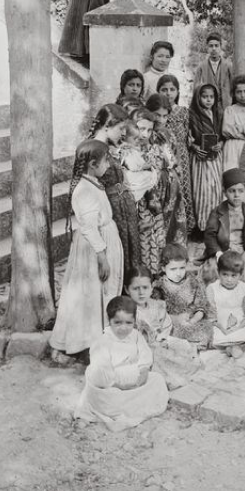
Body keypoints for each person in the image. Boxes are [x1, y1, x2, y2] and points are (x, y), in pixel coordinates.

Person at [50, 140, 123, 361]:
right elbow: (90, 228)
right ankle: (87, 343)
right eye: (105, 161)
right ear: (92, 164)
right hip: (94, 249)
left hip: (103, 240)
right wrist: (102, 257)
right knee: (91, 293)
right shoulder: (83, 191)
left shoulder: (93, 183)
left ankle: (101, 337)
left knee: (102, 292)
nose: (108, 165)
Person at [74, 296, 169, 431]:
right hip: (112, 384)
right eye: (118, 323)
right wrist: (116, 384)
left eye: (128, 323)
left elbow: (144, 353)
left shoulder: (136, 335)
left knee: (157, 380)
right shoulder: (103, 341)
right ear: (109, 321)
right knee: (100, 390)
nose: (123, 328)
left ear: (134, 321)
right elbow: (101, 370)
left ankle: (134, 403)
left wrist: (143, 370)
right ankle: (123, 407)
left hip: (134, 378)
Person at [125, 264, 198, 388]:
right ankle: (164, 378)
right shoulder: (127, 310)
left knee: (182, 347)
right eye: (136, 288)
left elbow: (166, 324)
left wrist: (162, 337)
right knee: (156, 357)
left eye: (145, 287)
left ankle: (173, 372)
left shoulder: (157, 305)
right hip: (139, 350)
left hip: (158, 341)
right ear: (127, 290)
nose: (141, 292)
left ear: (152, 288)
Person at [88, 104, 141, 272]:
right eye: (121, 128)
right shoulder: (91, 150)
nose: (124, 133)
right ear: (107, 126)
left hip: (123, 210)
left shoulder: (108, 149)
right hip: (110, 211)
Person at [203, 168, 245, 293]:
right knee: (213, 271)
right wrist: (218, 254)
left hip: (242, 251)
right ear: (225, 192)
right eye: (232, 191)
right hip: (223, 250)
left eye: (241, 191)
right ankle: (218, 298)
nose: (236, 195)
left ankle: (243, 300)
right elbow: (209, 235)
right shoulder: (217, 212)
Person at [130, 107, 174, 274]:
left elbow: (164, 167)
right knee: (141, 240)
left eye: (149, 130)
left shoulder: (155, 148)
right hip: (136, 202)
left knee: (155, 237)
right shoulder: (127, 151)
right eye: (141, 129)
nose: (145, 134)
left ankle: (155, 276)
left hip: (153, 201)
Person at [152, 244, 212, 349]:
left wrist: (192, 321)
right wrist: (176, 319)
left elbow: (201, 306)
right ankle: (182, 344)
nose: (178, 273)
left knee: (206, 329)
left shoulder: (193, 281)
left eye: (182, 268)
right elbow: (156, 312)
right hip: (170, 323)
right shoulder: (159, 286)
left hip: (192, 321)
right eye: (173, 269)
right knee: (164, 335)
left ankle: (192, 344)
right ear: (163, 268)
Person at [207, 250, 245, 357]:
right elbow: (210, 312)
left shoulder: (244, 288)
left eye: (233, 275)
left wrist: (239, 327)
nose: (229, 279)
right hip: (219, 323)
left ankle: (236, 346)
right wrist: (222, 328)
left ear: (240, 274)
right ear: (218, 272)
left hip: (241, 321)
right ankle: (231, 346)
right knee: (208, 333)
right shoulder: (212, 288)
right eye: (225, 275)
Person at [157, 74, 195, 234]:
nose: (168, 93)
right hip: (164, 155)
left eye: (172, 89)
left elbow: (188, 134)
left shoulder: (184, 112)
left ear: (178, 92)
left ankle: (187, 227)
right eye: (164, 89)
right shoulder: (157, 114)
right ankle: (168, 227)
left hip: (182, 156)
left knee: (184, 188)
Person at [188, 83, 224, 232]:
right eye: (204, 97)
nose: (208, 100)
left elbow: (223, 135)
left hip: (215, 159)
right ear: (198, 98)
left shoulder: (218, 114)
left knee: (215, 190)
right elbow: (187, 137)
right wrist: (195, 147)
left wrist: (220, 144)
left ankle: (213, 226)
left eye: (211, 97)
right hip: (200, 160)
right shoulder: (192, 115)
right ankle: (201, 227)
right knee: (201, 192)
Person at [222, 75, 245, 171]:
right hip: (232, 147)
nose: (242, 95)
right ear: (233, 94)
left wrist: (238, 128)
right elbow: (226, 130)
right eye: (239, 92)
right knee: (233, 173)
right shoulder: (230, 110)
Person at [118, 120, 158, 203]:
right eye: (135, 138)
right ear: (125, 138)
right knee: (150, 176)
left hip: (134, 174)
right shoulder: (127, 152)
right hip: (131, 177)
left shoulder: (132, 150)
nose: (137, 140)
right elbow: (133, 167)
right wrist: (147, 165)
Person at [193, 32, 233, 109]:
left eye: (216, 46)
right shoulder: (201, 67)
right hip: (208, 106)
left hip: (226, 106)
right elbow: (196, 89)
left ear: (220, 47)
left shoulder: (228, 66)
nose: (214, 49)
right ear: (207, 47)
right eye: (211, 46)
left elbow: (233, 86)